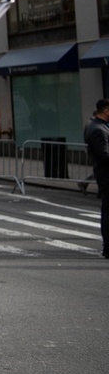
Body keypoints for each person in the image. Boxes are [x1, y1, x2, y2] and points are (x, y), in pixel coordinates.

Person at [83, 98, 109, 259]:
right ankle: (108, 247)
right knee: (108, 211)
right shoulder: (98, 129)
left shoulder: (100, 126)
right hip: (107, 177)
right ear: (106, 111)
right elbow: (104, 155)